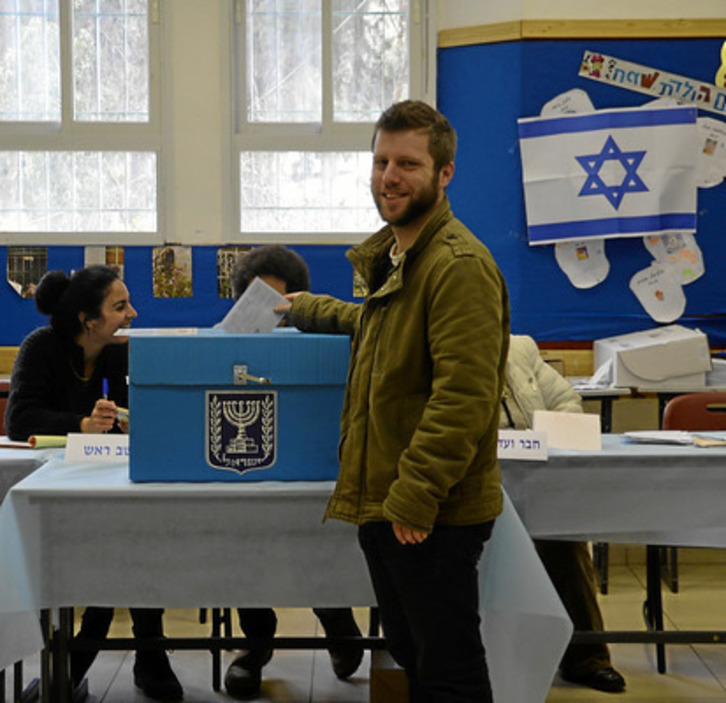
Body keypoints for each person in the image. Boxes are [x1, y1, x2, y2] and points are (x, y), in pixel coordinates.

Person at [279, 100, 510, 702]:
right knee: (415, 656)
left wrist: (415, 493)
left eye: (408, 163)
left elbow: (464, 396)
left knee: (449, 671)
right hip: (390, 502)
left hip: (429, 509)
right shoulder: (403, 258)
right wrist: (308, 308)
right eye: (382, 161)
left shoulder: (457, 265)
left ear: (445, 173)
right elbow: (378, 325)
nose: (390, 176)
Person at [5, 265, 183, 702]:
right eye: (120, 307)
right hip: (55, 493)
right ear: (88, 319)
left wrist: (133, 420)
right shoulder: (40, 347)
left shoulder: (118, 355)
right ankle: (125, 651)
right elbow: (19, 420)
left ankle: (130, 649)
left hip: (112, 486)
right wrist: (82, 424)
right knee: (118, 547)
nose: (132, 314)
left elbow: (135, 417)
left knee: (138, 538)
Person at [223, 245, 364, 699]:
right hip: (249, 468)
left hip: (313, 467)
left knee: (318, 537)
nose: (270, 314)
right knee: (242, 541)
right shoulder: (223, 342)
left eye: (279, 304)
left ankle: (336, 620)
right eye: (258, 301)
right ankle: (254, 645)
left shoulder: (328, 339)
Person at [500, 334, 626, 694]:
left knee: (565, 539)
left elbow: (564, 400)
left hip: (536, 479)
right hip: (474, 482)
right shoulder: (437, 350)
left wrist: (554, 435)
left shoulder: (520, 347)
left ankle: (587, 658)